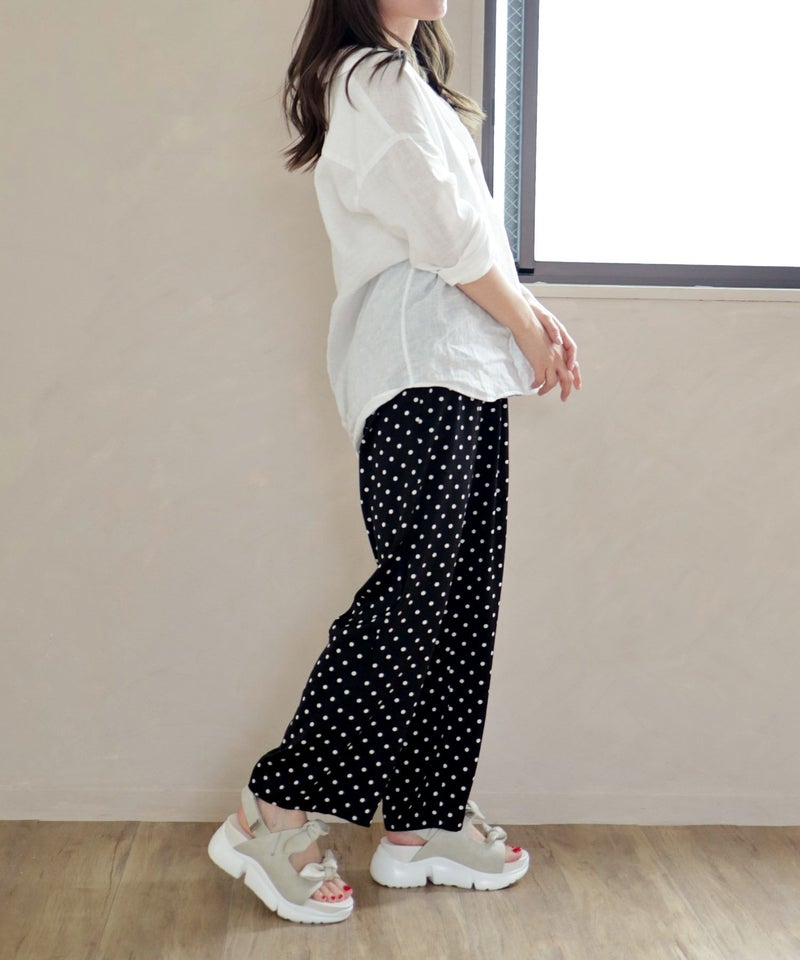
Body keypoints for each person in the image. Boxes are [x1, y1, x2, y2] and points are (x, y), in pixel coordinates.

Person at [207, 0, 581, 925]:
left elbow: (465, 230)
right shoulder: (368, 77)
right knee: (416, 595)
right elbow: (446, 234)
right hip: (420, 371)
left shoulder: (406, 79)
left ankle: (422, 819)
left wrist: (530, 318)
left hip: (461, 368)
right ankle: (274, 808)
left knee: (458, 600)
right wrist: (526, 324)